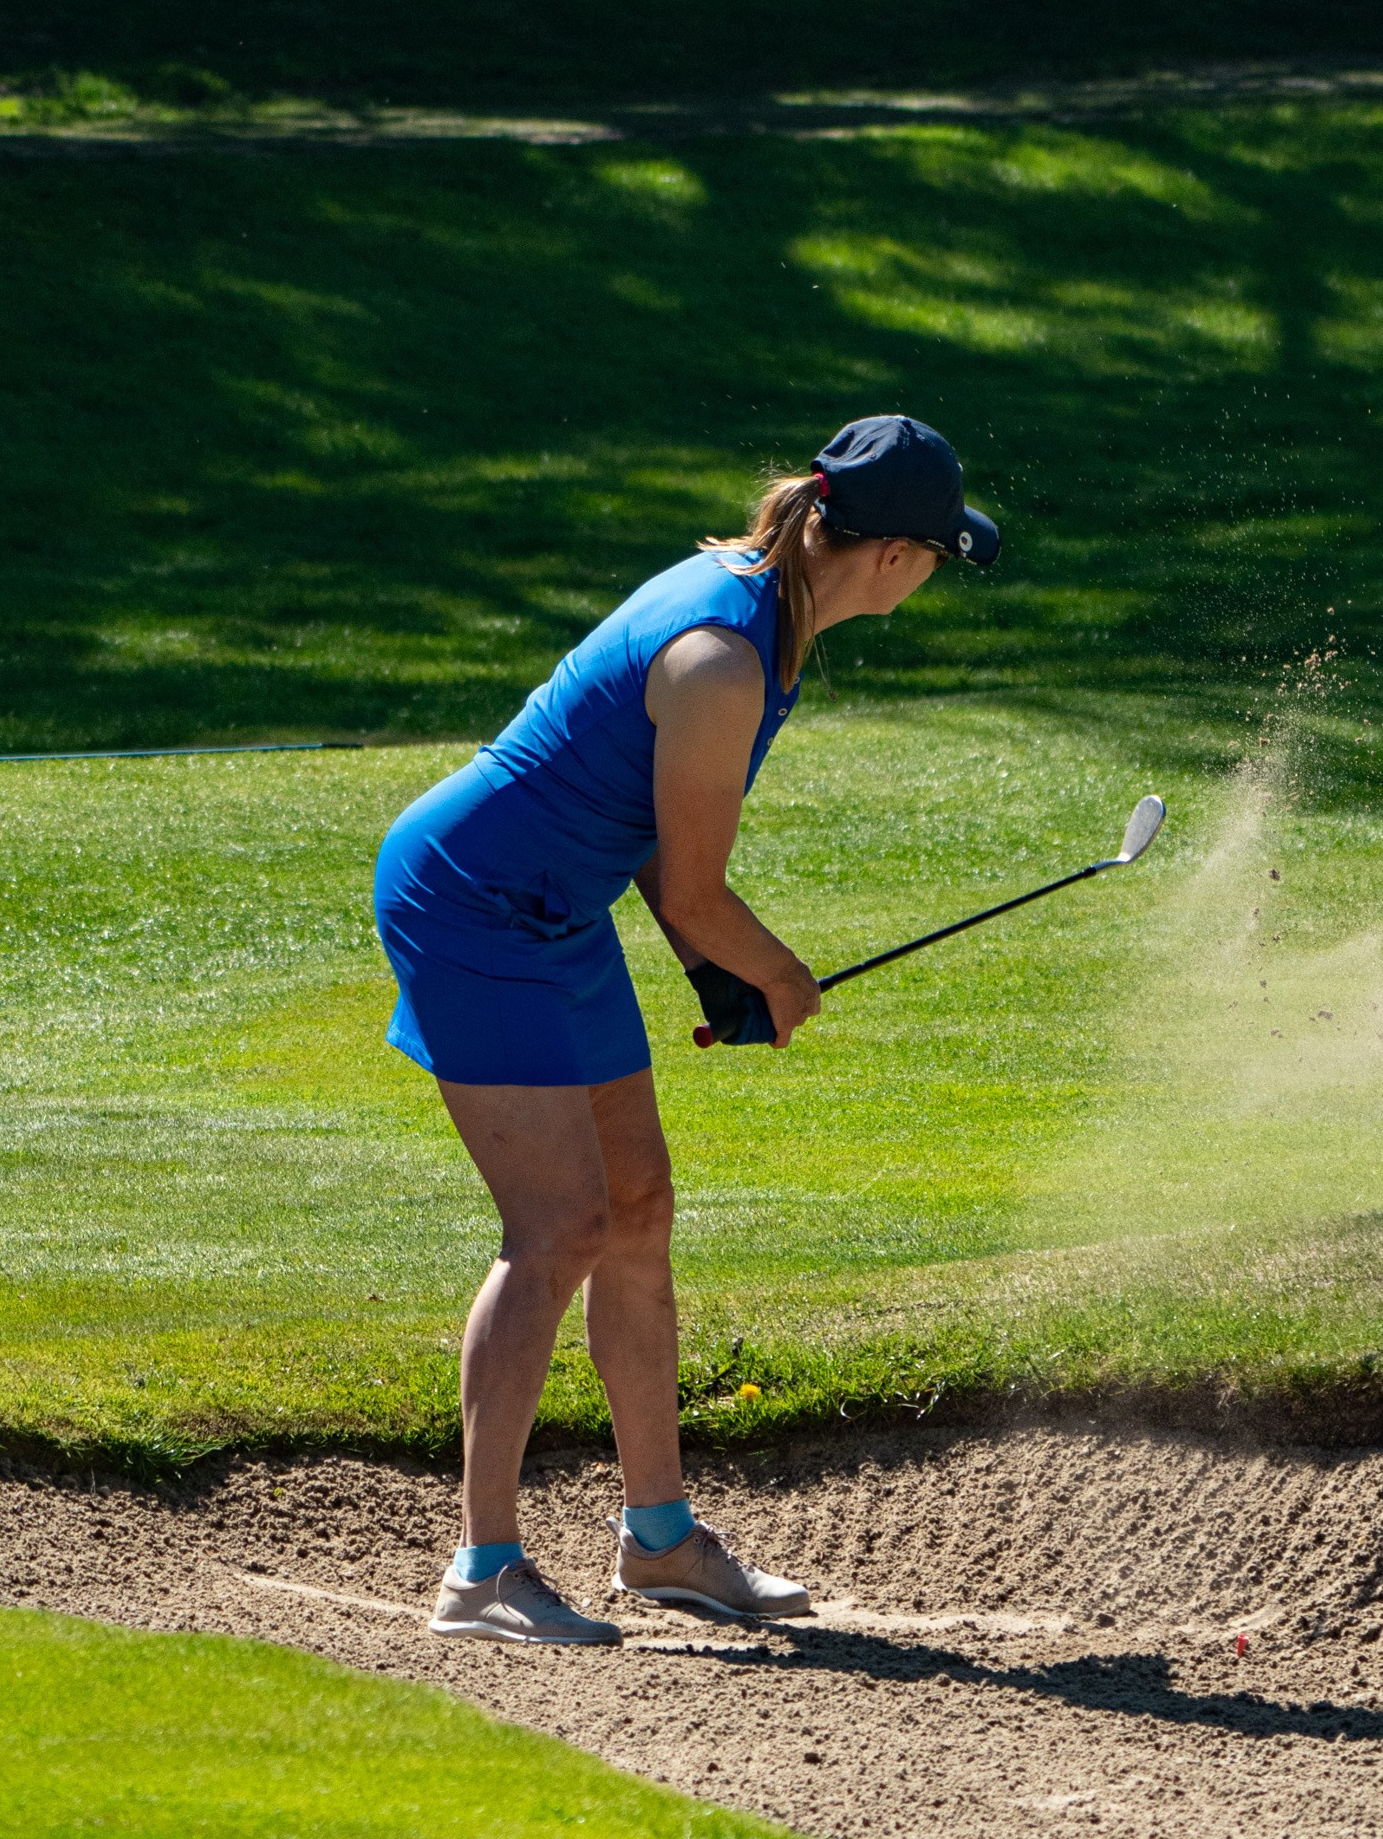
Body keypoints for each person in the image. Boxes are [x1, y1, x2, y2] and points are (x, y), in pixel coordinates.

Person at [373, 413, 1001, 1643]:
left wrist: (718, 976)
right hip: (473, 902)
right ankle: (482, 1570)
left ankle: (658, 1541)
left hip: (555, 906)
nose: (932, 580)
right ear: (888, 558)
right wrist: (778, 975)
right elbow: (703, 893)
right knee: (557, 1228)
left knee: (638, 1213)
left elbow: (663, 853)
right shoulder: (722, 656)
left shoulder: (768, 610)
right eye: (936, 559)